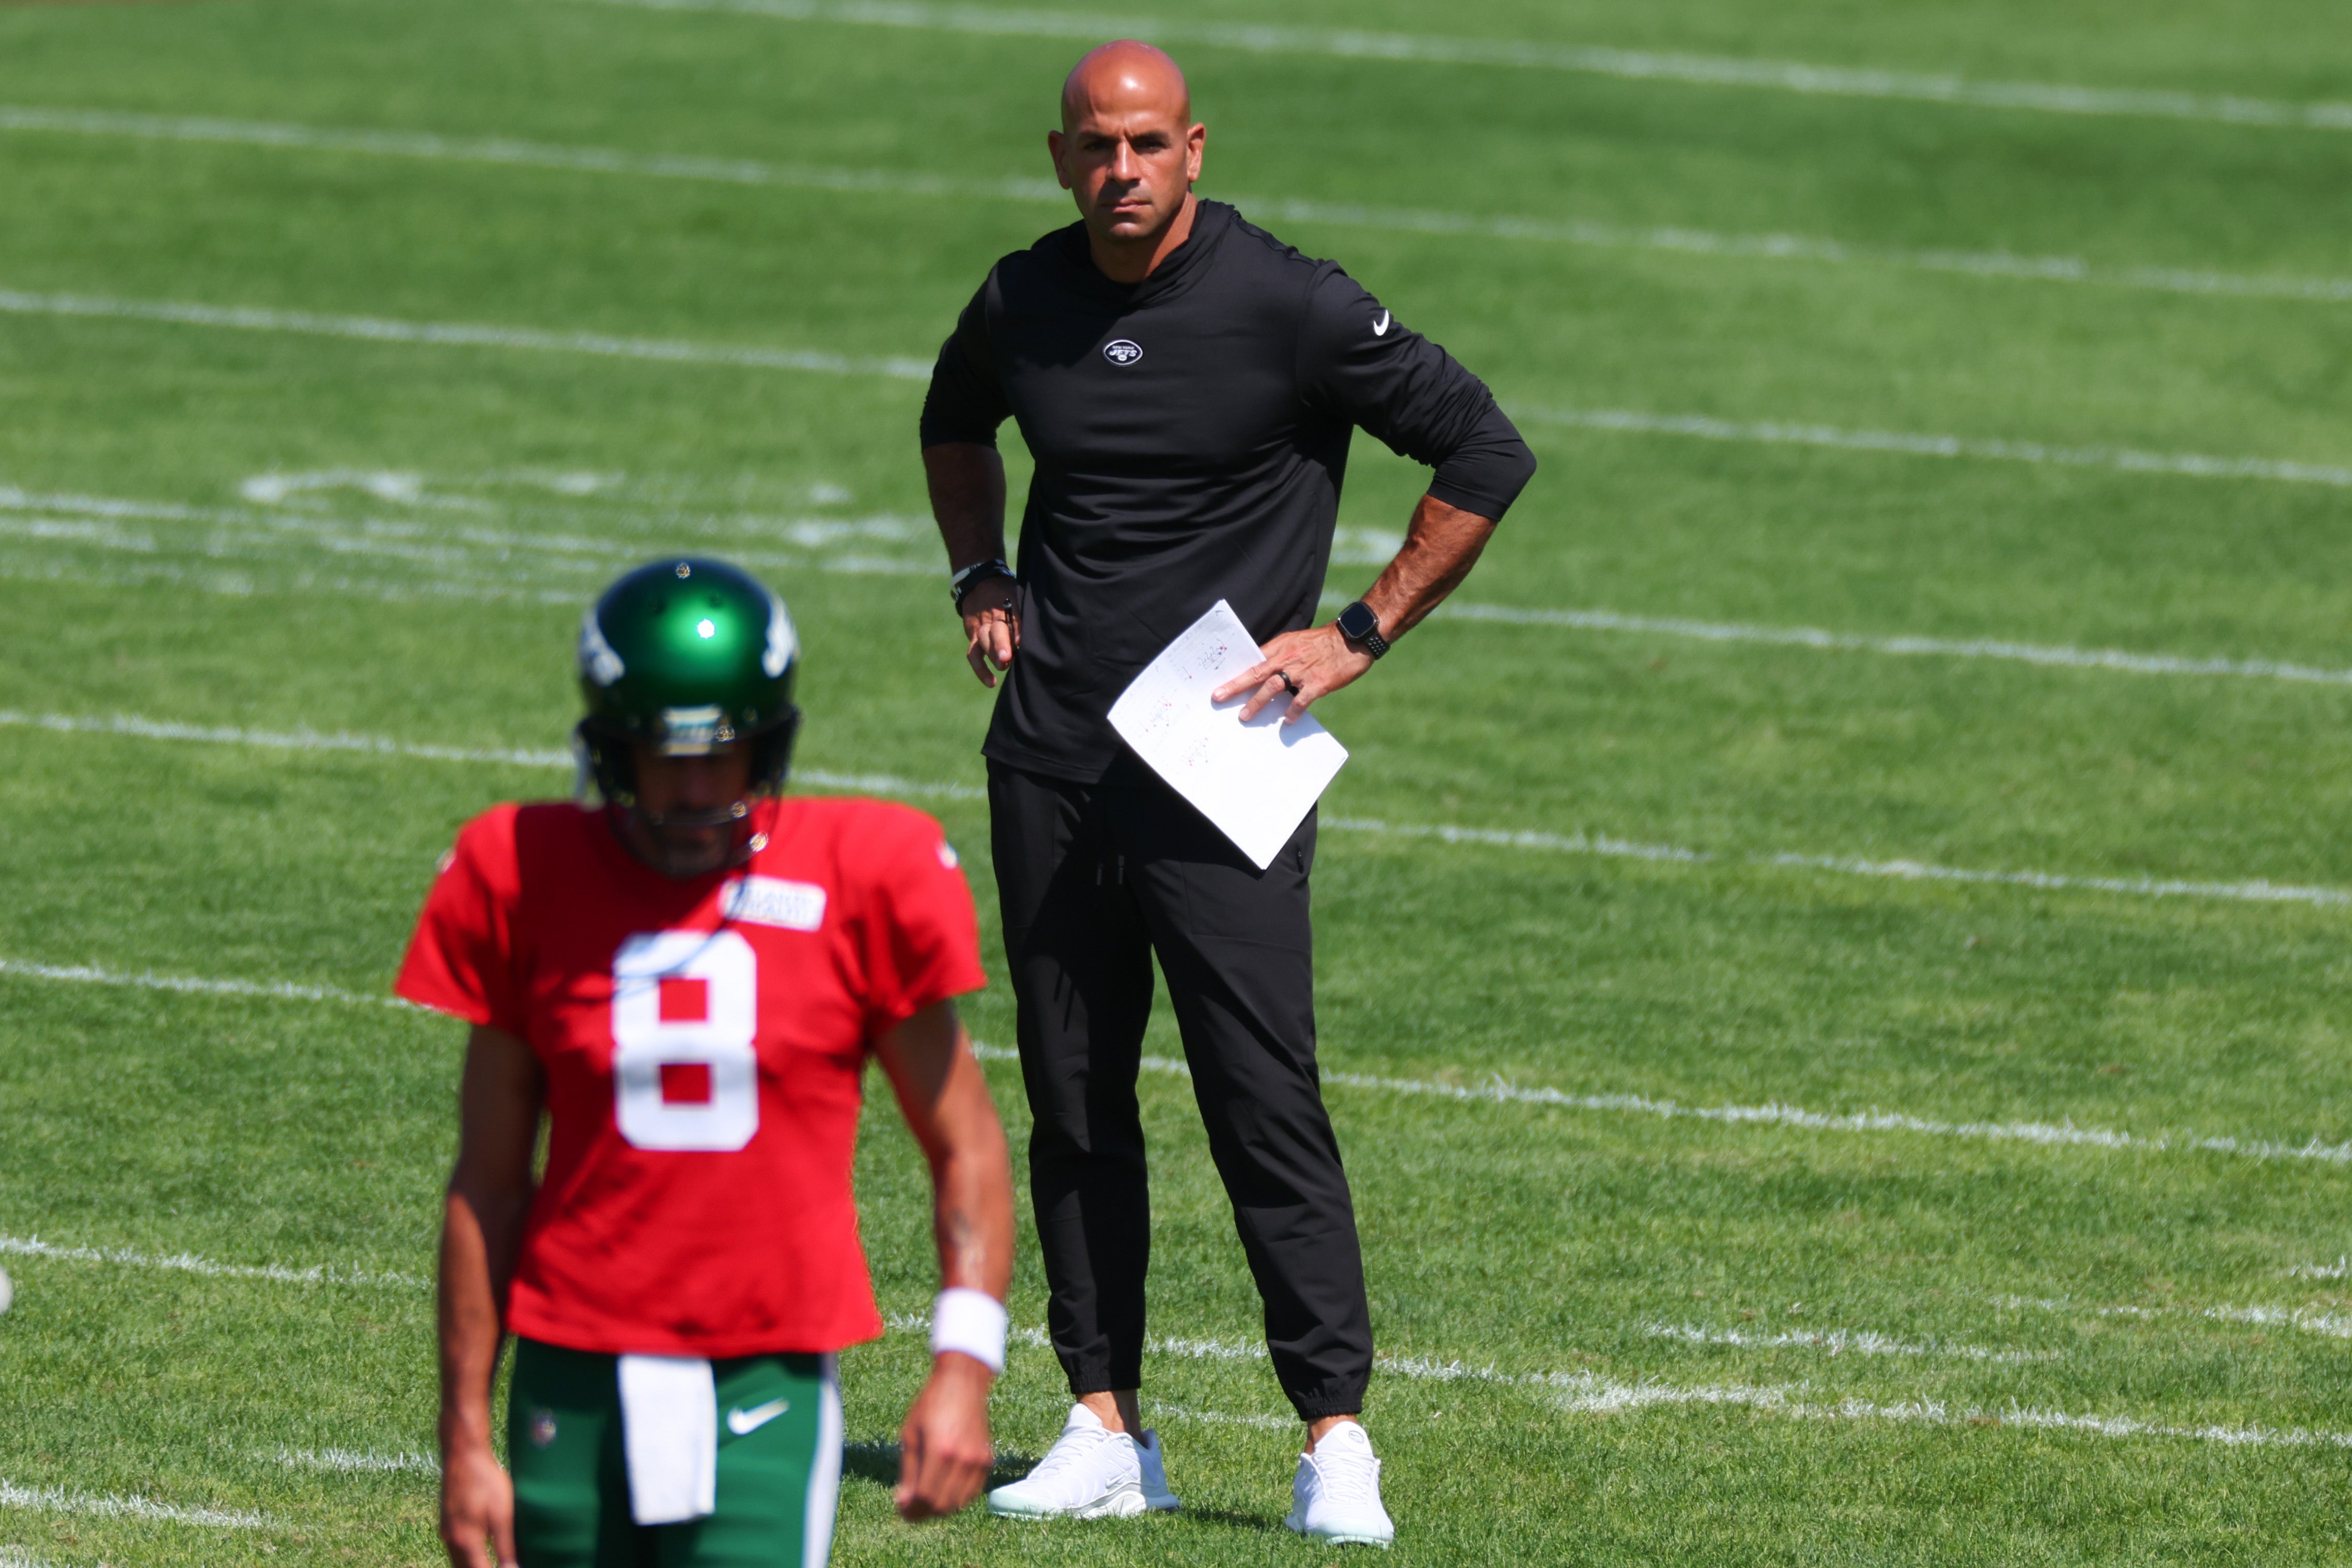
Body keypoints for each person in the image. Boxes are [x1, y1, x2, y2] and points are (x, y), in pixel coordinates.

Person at [917, 40, 1537, 1548]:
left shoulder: (1291, 304)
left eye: (1143, 143)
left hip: (1216, 769)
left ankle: (1335, 1438)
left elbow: (1484, 448)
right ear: (1058, 157)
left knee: (1263, 1100)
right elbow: (953, 417)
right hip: (1054, 758)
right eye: (1092, 148)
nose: (1118, 171)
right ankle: (1105, 1423)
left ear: (1193, 146)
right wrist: (979, 568)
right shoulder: (1023, 296)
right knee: (1072, 1097)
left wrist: (1359, 630)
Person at [400, 558, 1016, 1568]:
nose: (691, 789)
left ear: (767, 743)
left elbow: (968, 1145)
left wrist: (965, 1364)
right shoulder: (518, 872)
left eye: (719, 757)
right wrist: (463, 1434)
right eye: (661, 757)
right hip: (570, 1370)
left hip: (763, 1374)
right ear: (610, 749)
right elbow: (488, 1182)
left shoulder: (868, 873)